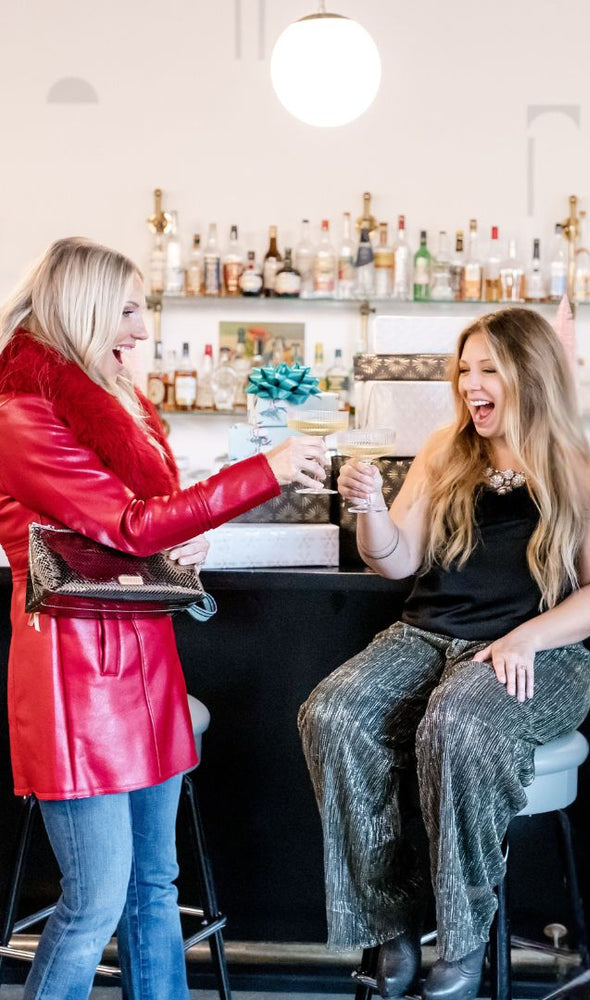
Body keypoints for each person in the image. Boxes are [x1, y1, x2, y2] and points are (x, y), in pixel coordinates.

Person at [0, 236, 326, 1000]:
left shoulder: (110, 406)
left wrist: (184, 535)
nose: (142, 329)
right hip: (74, 676)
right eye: (128, 310)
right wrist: (266, 469)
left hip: (144, 659)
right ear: (82, 309)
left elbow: (138, 526)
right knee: (94, 902)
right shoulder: (19, 413)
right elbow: (131, 525)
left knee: (153, 886)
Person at [298, 307, 590, 1000]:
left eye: (489, 369)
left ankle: (463, 943)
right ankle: (389, 923)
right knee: (332, 714)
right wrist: (371, 508)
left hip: (541, 655)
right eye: (464, 370)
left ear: (532, 375)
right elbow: (395, 561)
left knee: (457, 723)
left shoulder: (581, 472)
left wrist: (527, 635)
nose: (470, 385)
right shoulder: (446, 451)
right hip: (427, 638)